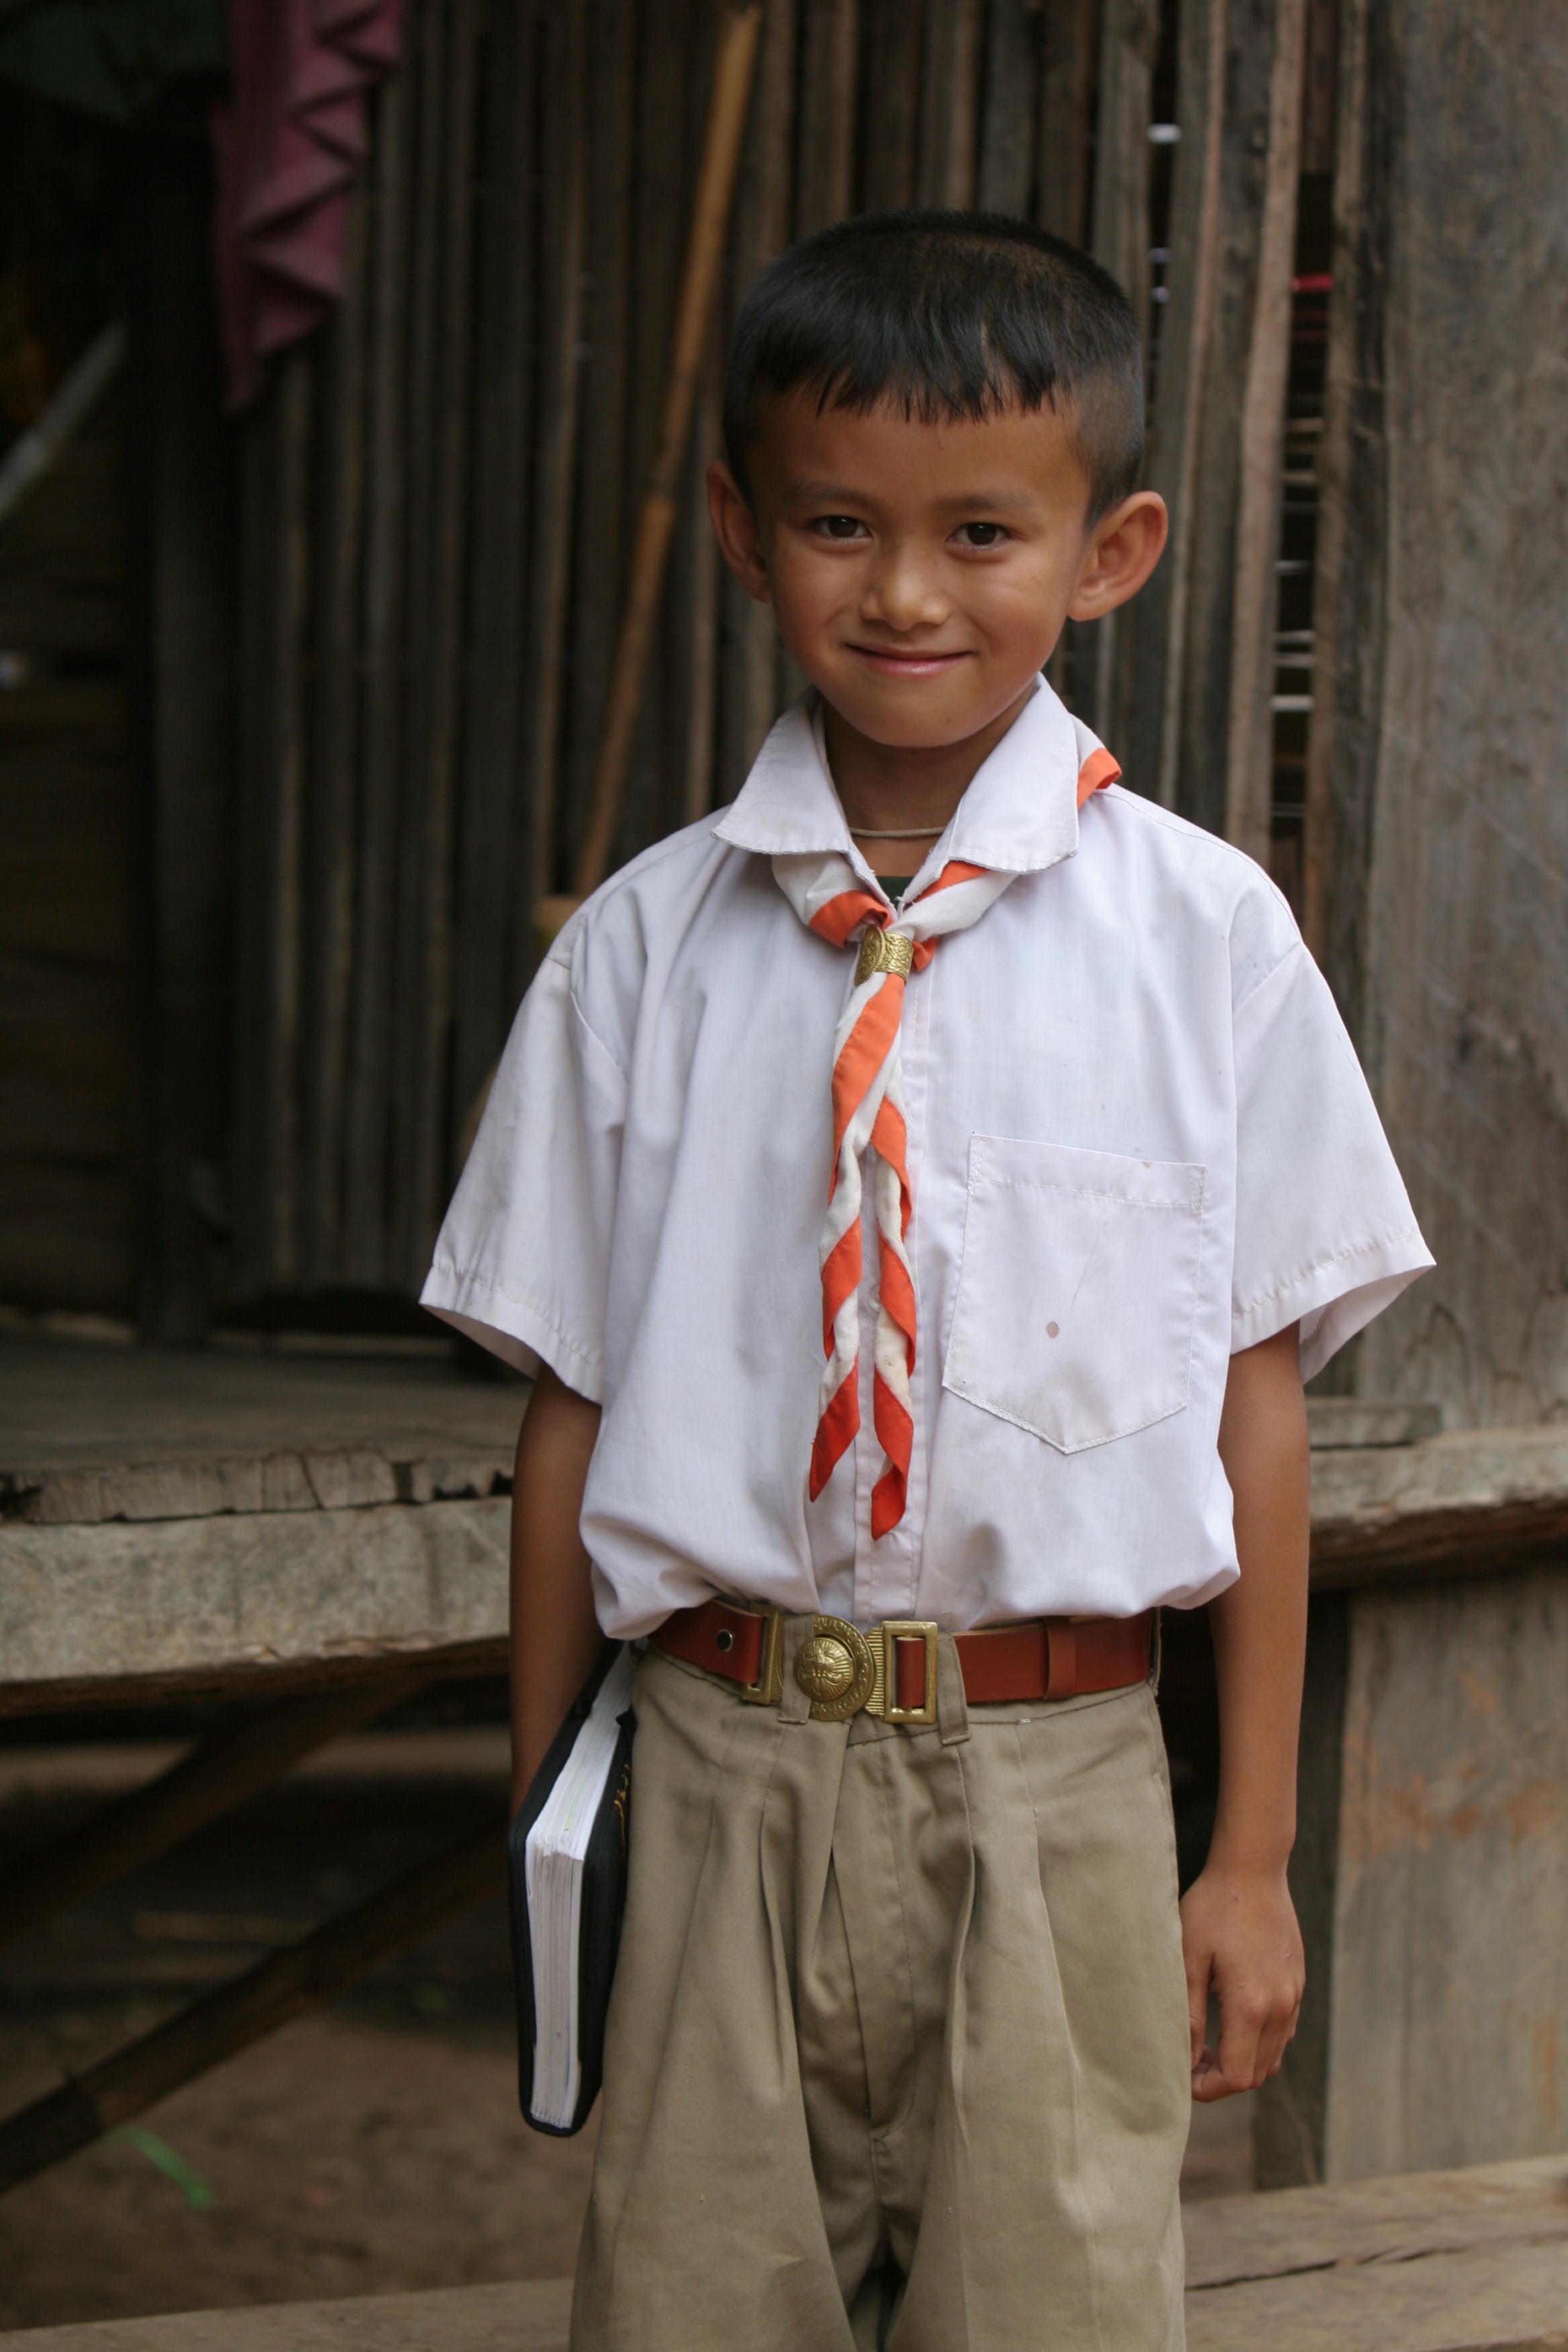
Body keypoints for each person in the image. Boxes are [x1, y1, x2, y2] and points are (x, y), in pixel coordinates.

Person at [422, 211, 1431, 2351]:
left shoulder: (1207, 946)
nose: (902, 590)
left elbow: (1257, 1414)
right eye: (836, 525)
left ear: (1112, 551)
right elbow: (568, 1420)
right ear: (739, 528)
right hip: (711, 1764)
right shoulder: (637, 955)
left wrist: (1247, 1855)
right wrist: (549, 1839)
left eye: (983, 529)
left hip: (1059, 1787)